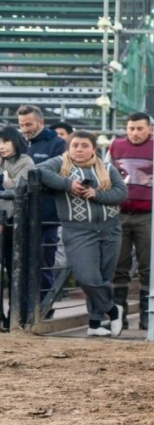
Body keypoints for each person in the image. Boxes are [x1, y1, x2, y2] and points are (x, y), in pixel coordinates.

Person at [37, 130, 127, 337]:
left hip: (110, 227)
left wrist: (97, 194)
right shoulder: (59, 164)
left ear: (93, 149)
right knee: (87, 277)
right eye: (75, 145)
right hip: (77, 230)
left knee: (104, 276)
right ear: (69, 147)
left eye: (84, 145)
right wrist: (68, 184)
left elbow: (122, 193)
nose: (79, 149)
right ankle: (113, 310)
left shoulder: (108, 168)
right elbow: (38, 171)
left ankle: (95, 323)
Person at [17, 105, 67, 312]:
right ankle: (23, 307)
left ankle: (44, 307)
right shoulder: (18, 143)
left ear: (41, 122)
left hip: (46, 215)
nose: (25, 129)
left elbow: (61, 175)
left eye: (29, 124)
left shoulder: (57, 144)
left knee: (44, 262)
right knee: (20, 263)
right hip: (20, 215)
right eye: (21, 125)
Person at [108, 112, 154, 330]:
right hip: (120, 213)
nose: (134, 133)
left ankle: (147, 316)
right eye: (130, 128)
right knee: (119, 265)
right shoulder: (116, 146)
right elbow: (106, 175)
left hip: (147, 214)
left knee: (147, 265)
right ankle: (119, 315)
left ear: (150, 129)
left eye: (139, 128)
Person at [0, 126, 35, 330]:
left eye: (5, 142)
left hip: (17, 224)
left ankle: (17, 316)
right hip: (2, 220)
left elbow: (19, 186)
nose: (1, 147)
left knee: (16, 271)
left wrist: (4, 179)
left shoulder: (26, 161)